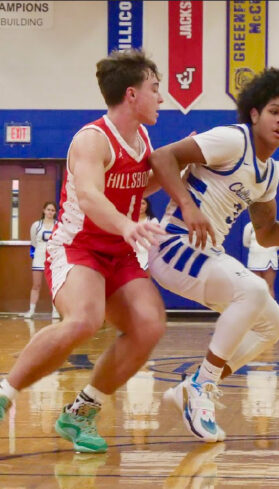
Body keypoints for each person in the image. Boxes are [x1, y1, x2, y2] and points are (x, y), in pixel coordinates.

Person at [0, 49, 208, 453]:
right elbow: (91, 197)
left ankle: (80, 412)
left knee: (149, 326)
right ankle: (6, 390)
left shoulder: (142, 138)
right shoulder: (91, 140)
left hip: (121, 252)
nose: (161, 98)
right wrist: (129, 225)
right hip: (79, 248)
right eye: (155, 88)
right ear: (132, 94)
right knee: (85, 319)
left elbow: (139, 185)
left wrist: (180, 167)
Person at [146, 67, 279, 443]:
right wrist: (187, 204)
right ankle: (200, 387)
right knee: (253, 290)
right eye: (274, 111)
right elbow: (163, 156)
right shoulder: (233, 140)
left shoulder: (269, 174)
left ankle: (197, 386)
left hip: (206, 253)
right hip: (173, 245)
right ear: (254, 113)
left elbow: (266, 233)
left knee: (274, 324)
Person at [21, 201, 59, 319]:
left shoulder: (58, 225)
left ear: (55, 212)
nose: (50, 212)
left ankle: (55, 311)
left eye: (52, 210)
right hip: (38, 257)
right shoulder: (36, 225)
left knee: (54, 286)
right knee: (36, 285)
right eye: (48, 209)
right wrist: (36, 254)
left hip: (53, 259)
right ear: (44, 210)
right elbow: (33, 242)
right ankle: (31, 311)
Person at [242, 221, 279, 298]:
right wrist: (257, 249)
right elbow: (245, 243)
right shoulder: (249, 226)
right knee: (256, 288)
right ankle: (257, 309)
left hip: (270, 259)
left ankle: (270, 309)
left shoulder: (275, 226)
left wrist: (272, 248)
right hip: (254, 259)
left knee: (269, 286)